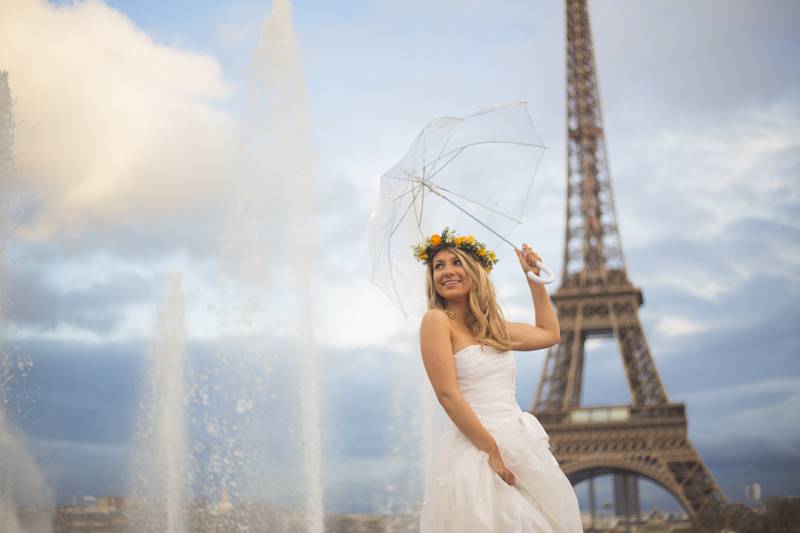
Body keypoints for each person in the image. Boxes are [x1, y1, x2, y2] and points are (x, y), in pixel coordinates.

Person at [415, 228, 583, 533]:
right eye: (438, 266)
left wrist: (534, 279)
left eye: (456, 263)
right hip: (476, 447)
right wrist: (490, 451)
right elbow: (447, 395)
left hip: (518, 443)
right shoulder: (436, 321)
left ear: (473, 272)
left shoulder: (494, 328)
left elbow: (550, 334)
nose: (447, 271)